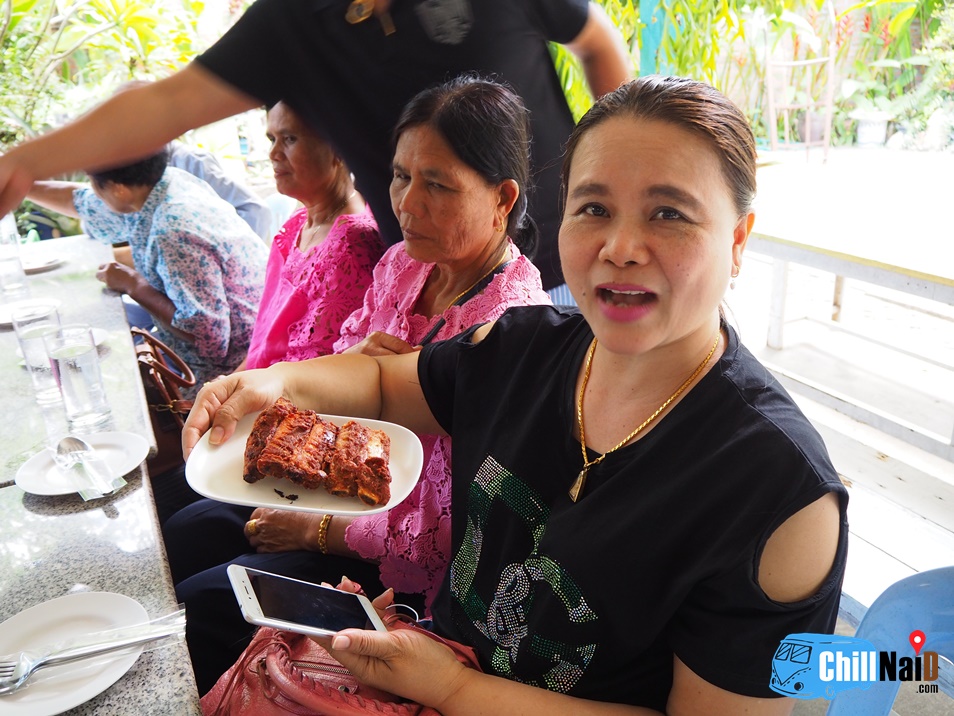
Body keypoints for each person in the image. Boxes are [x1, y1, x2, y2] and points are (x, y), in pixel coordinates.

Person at [182, 75, 849, 713]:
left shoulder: (778, 493)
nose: (620, 247)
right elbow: (383, 382)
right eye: (594, 208)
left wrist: (454, 690)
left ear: (737, 240)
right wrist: (270, 384)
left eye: (669, 213)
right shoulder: (522, 347)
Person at [164, 76, 552, 694]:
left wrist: (311, 529)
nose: (408, 204)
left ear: (502, 197)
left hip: (395, 565)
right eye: (400, 176)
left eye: (438, 184)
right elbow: (344, 367)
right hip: (333, 480)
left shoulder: (510, 330)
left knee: (201, 607)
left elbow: (448, 530)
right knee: (187, 528)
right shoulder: (404, 265)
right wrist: (345, 368)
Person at [0, 0, 632, 294]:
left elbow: (596, 42)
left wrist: (618, 183)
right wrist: (24, 163)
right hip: (434, 291)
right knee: (486, 480)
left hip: (578, 261)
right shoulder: (291, 22)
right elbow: (166, 103)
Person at [26, 150, 267, 390]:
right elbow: (82, 202)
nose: (93, 192)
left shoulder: (173, 230)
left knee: (96, 377)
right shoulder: (167, 181)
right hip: (239, 339)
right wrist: (22, 186)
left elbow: (209, 339)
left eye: (93, 183)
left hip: (231, 372)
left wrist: (133, 284)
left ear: (118, 189)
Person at [240, 100, 383, 369]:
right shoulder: (298, 223)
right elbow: (264, 339)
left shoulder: (353, 244)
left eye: (289, 139)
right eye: (272, 139)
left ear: (338, 148)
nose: (273, 153)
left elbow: (311, 366)